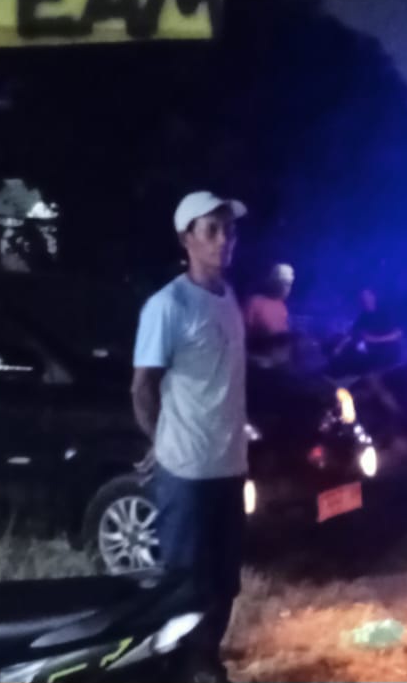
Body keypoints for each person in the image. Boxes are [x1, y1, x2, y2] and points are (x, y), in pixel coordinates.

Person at [131, 191, 250, 683]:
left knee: (225, 579)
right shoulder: (167, 305)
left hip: (230, 464)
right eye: (211, 230)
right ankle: (179, 668)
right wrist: (160, 443)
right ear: (186, 239)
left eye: (229, 230)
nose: (224, 240)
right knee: (185, 583)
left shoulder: (229, 298)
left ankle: (206, 661)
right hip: (186, 471)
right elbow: (143, 386)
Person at [243, 264, 295, 366]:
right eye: (284, 284)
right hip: (258, 365)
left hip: (278, 366)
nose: (287, 288)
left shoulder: (282, 306)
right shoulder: (254, 303)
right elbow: (240, 337)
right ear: (274, 283)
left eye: (289, 284)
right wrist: (254, 359)